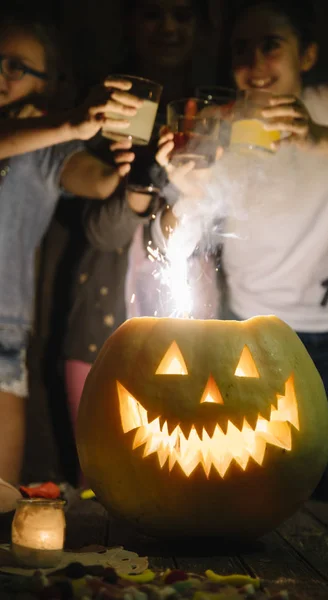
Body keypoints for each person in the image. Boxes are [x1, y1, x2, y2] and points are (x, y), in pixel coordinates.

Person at [152, 0, 328, 504]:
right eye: (241, 49)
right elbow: (167, 243)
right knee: (266, 485)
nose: (255, 63)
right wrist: (187, 190)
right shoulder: (212, 128)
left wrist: (317, 137)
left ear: (308, 54)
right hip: (256, 338)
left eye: (271, 45)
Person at [52, 0, 220, 466]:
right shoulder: (101, 112)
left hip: (187, 337)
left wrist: (189, 187)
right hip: (102, 330)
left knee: (180, 473)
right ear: (129, 21)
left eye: (183, 15)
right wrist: (145, 181)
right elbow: (100, 234)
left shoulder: (209, 116)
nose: (168, 27)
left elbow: (194, 236)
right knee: (101, 477)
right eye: (153, 14)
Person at [0, 14, 146, 486]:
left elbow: (99, 182)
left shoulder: (50, 148)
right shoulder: (57, 130)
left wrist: (126, 167)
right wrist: (71, 123)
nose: (2, 75)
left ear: (51, 80)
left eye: (16, 67)